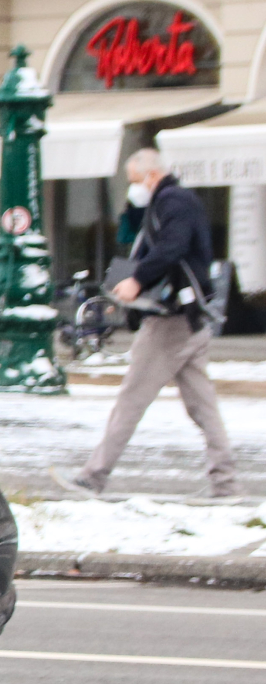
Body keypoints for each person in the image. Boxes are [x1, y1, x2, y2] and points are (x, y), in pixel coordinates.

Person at [53, 148, 238, 500]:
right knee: (202, 406)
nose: (131, 187)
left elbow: (172, 246)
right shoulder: (170, 202)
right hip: (190, 319)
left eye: (134, 180)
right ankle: (225, 482)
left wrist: (137, 279)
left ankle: (93, 476)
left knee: (131, 399)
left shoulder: (173, 200)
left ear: (151, 175)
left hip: (169, 321)